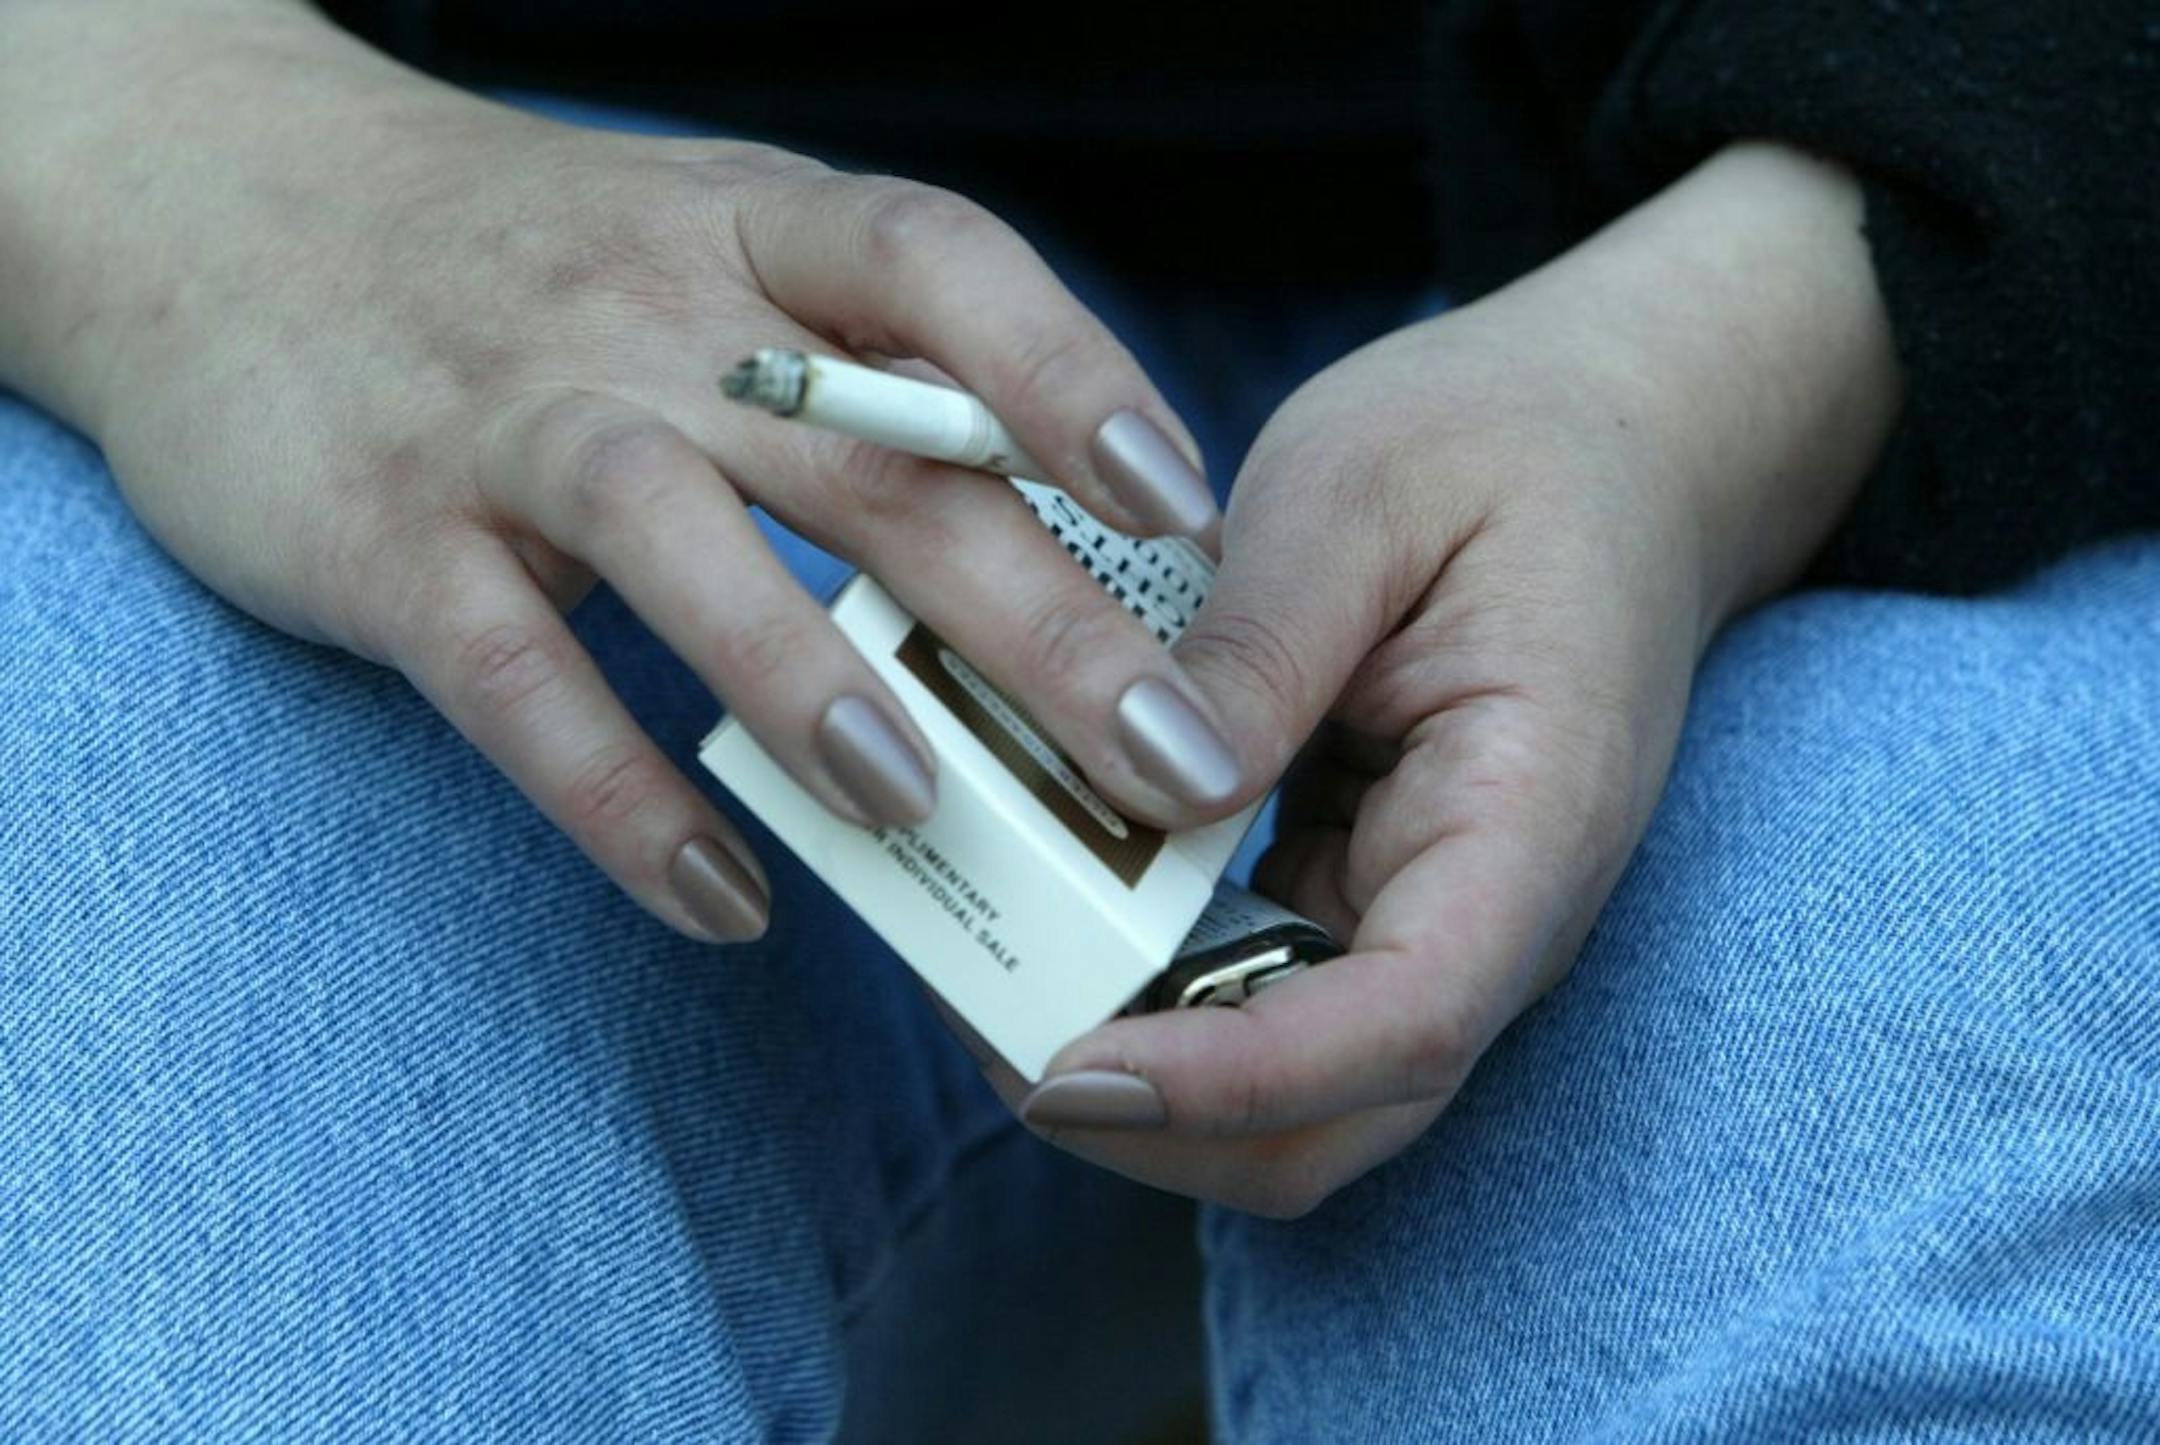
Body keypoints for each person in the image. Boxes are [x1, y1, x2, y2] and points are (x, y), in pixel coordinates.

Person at [2, 0, 2153, 1438]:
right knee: (149, 888)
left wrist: (1742, 347)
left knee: (1886, 1005)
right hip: (469, 193)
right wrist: (174, 138)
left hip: (1901, 226)